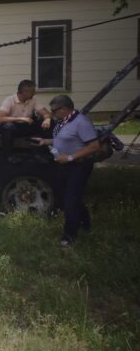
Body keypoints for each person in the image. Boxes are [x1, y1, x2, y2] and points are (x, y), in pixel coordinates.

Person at [32, 95, 101, 245]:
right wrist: (45, 141)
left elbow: (94, 146)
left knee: (70, 201)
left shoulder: (81, 122)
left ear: (64, 109)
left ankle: (69, 235)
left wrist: (70, 158)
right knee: (71, 197)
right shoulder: (64, 121)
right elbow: (63, 139)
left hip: (78, 166)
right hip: (64, 165)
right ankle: (86, 224)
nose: (52, 113)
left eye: (54, 110)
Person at [0, 79, 52, 151]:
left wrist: (47, 119)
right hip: (14, 129)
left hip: (27, 126)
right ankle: (8, 157)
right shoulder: (9, 100)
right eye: (33, 91)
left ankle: (44, 152)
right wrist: (21, 118)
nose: (35, 93)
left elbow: (46, 113)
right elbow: (0, 118)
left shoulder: (33, 99)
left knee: (50, 122)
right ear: (25, 92)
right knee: (8, 126)